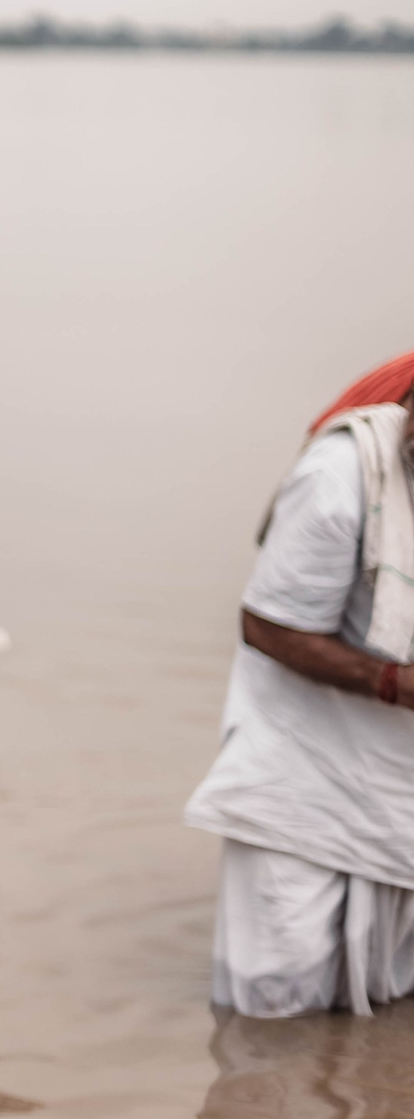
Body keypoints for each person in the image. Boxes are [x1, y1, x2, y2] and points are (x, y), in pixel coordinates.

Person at [183, 374, 414, 1018]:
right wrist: (394, 682)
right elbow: (269, 625)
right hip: (305, 782)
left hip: (400, 789)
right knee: (275, 1022)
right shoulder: (341, 476)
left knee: (389, 1014)